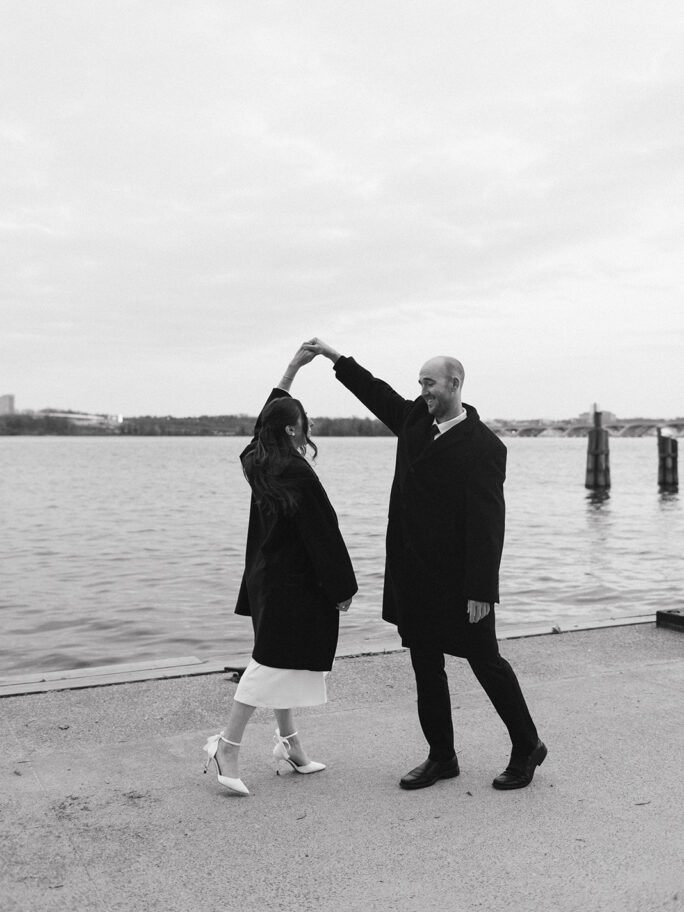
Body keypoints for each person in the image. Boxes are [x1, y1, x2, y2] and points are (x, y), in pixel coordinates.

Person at [303, 338, 546, 791]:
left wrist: (481, 589)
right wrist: (335, 357)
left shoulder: (484, 446)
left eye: (429, 383)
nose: (423, 391)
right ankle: (442, 756)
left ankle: (527, 745)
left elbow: (489, 524)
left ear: (455, 384)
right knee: (425, 664)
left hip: (459, 581)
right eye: (420, 383)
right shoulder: (416, 417)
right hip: (413, 574)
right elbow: (375, 393)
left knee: (485, 661)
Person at [203, 346, 358, 796]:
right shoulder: (295, 471)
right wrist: (342, 588)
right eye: (303, 423)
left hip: (265, 580)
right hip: (295, 586)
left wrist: (291, 371)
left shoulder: (257, 461)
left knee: (285, 663)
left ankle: (291, 746)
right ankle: (226, 746)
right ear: (294, 429)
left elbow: (262, 424)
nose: (308, 429)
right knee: (270, 665)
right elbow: (323, 534)